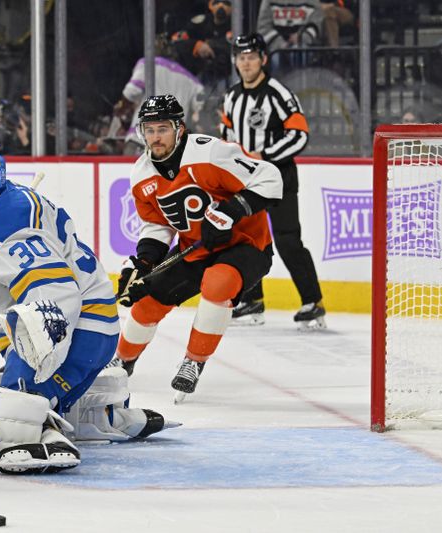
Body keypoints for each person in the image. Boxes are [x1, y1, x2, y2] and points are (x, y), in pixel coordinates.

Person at [0, 138, 171, 474]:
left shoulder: (6, 230)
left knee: (28, 345)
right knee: (15, 325)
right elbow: (0, 294)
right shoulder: (4, 204)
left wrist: (27, 374)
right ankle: (91, 407)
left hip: (84, 329)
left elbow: (57, 294)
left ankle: (32, 424)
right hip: (92, 322)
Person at [111, 94, 282, 402]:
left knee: (217, 283)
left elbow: (270, 178)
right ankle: (122, 361)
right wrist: (144, 264)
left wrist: (230, 212)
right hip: (197, 248)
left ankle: (194, 361)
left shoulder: (210, 153)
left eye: (162, 129)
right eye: (149, 130)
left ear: (179, 128)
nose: (155, 137)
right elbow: (158, 225)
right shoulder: (141, 174)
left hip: (247, 244)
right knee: (148, 299)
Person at [221, 33, 325, 328]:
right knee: (245, 240)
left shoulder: (278, 93)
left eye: (252, 57)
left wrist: (264, 155)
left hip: (279, 177)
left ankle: (313, 303)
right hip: (247, 181)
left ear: (263, 59)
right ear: (235, 61)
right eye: (241, 57)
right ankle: (252, 301)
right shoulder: (232, 97)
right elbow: (226, 137)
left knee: (288, 240)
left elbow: (299, 134)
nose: (246, 63)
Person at [114, 34, 204, 154]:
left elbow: (131, 92)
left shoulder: (148, 64)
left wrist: (122, 108)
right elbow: (201, 116)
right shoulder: (194, 83)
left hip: (141, 141)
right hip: (172, 149)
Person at [257, 0, 323, 53]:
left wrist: (301, 37)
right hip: (275, 49)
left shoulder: (313, 1)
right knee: (277, 57)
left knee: (300, 53)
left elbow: (316, 26)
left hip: (304, 46)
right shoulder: (268, 1)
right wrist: (280, 44)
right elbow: (263, 29)